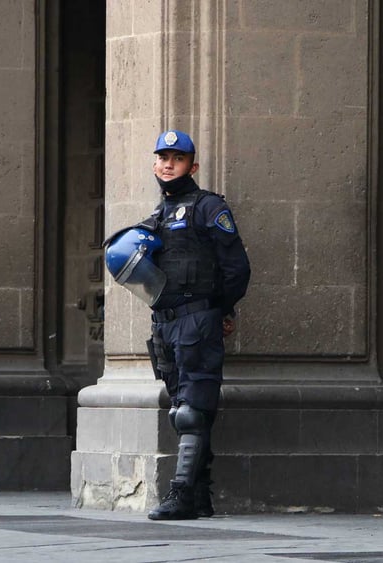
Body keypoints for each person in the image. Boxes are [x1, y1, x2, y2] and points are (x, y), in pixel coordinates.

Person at [110, 130, 250, 520]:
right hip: (166, 326)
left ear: (193, 166)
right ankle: (201, 495)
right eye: (162, 157)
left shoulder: (208, 208)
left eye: (178, 157)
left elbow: (237, 268)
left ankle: (180, 494)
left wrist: (220, 310)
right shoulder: (157, 215)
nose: (168, 164)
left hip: (197, 322)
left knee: (191, 410)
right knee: (183, 410)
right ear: (154, 163)